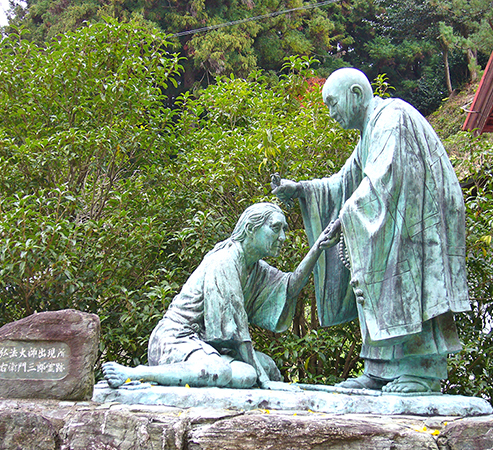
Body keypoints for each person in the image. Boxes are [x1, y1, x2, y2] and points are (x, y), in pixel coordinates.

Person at [272, 68, 470, 394]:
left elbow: (384, 179)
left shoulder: (392, 119)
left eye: (333, 103)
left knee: (405, 285)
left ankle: (421, 371)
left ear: (355, 94)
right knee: (378, 276)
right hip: (402, 222)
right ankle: (381, 370)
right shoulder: (370, 132)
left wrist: (345, 218)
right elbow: (344, 184)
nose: (331, 112)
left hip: (417, 226)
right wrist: (301, 189)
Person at [103, 202, 340, 390]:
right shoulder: (225, 260)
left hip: (206, 345)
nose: (282, 238)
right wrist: (264, 382)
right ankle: (135, 374)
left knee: (263, 368)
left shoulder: (255, 267)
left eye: (284, 230)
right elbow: (236, 326)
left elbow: (289, 286)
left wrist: (318, 247)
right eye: (276, 228)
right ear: (250, 229)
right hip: (175, 339)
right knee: (228, 372)